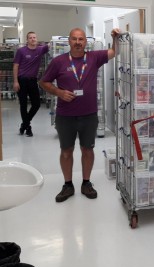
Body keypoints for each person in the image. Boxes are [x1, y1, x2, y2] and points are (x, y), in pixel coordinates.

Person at [39, 27, 120, 203]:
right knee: (66, 151)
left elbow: (114, 51)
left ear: (85, 42)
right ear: (69, 41)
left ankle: (86, 183)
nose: (77, 42)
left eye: (81, 39)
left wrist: (115, 38)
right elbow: (43, 82)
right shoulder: (58, 61)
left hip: (89, 115)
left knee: (88, 149)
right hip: (65, 116)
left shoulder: (94, 58)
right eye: (74, 39)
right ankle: (68, 185)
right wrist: (58, 92)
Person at [13, 31, 50, 137]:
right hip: (22, 80)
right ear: (27, 40)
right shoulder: (21, 51)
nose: (33, 39)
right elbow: (15, 66)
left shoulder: (40, 49)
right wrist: (15, 81)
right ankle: (28, 128)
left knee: (36, 104)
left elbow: (51, 45)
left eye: (34, 37)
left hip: (33, 80)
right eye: (31, 38)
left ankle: (24, 124)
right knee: (23, 105)